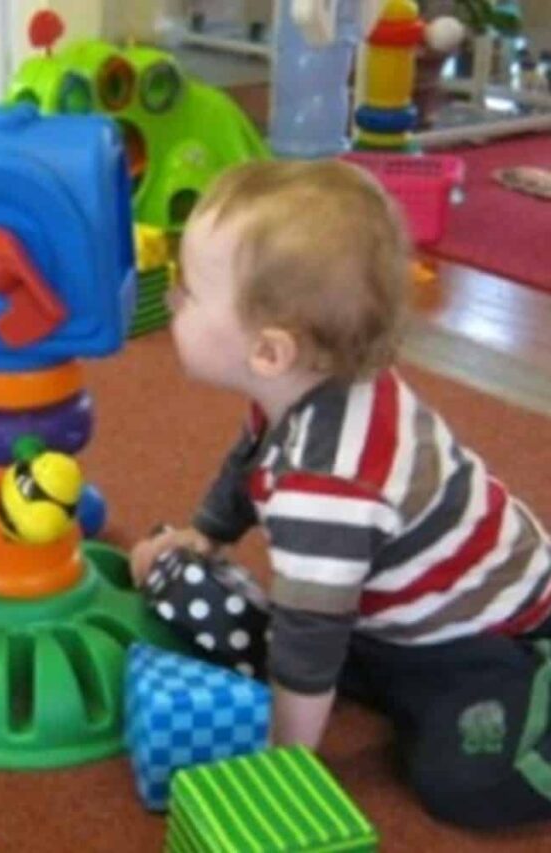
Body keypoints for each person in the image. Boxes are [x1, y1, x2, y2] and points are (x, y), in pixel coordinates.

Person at [130, 158, 551, 829]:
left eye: (191, 292)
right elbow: (248, 460)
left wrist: (284, 758)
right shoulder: (299, 391)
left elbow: (311, 633)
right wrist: (205, 534)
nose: (174, 301)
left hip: (488, 632)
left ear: (269, 352)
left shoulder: (326, 485)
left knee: (461, 783)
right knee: (208, 593)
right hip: (387, 612)